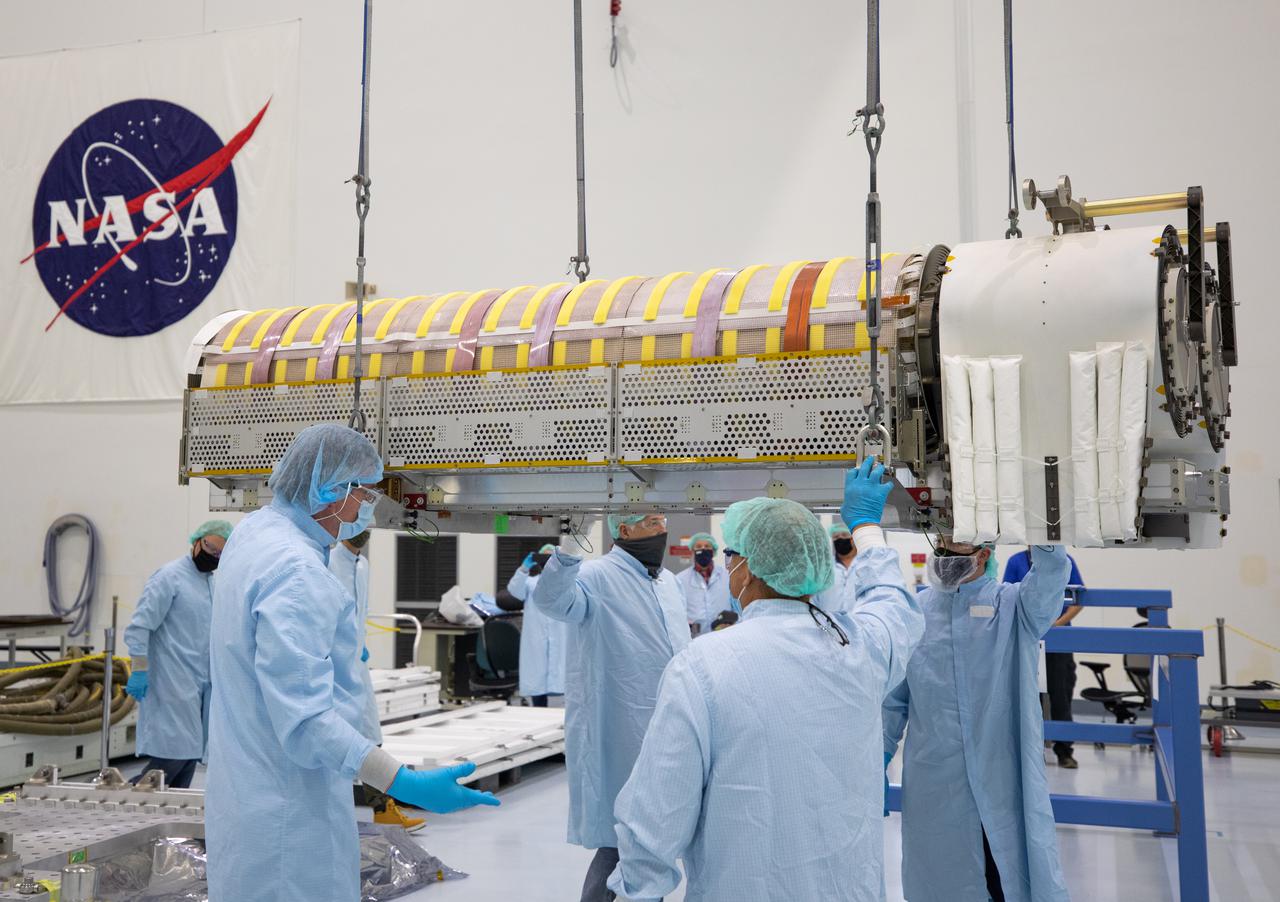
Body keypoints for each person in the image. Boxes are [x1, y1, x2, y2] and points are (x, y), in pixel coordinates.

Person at [206, 424, 498, 902]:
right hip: (289, 810)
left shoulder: (257, 532)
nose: (368, 506)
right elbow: (306, 722)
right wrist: (401, 780)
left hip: (248, 790)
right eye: (364, 493)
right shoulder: (297, 572)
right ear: (329, 490)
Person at [608, 460, 924, 901]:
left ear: (748, 569)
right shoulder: (861, 650)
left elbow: (656, 817)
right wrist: (867, 526)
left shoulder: (703, 667)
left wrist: (636, 892)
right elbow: (893, 604)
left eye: (730, 556)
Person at [884, 538, 1073, 902]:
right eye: (938, 543)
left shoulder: (1015, 606)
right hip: (936, 781)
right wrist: (874, 763)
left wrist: (1042, 526)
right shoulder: (916, 613)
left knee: (1005, 873)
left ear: (983, 554)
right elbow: (892, 704)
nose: (942, 555)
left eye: (954, 546)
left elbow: (1050, 576)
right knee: (943, 879)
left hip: (1002, 776)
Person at [530, 511, 690, 902]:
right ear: (625, 528)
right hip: (622, 726)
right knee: (625, 838)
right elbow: (551, 600)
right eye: (651, 521)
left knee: (656, 836)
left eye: (663, 520)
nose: (662, 529)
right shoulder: (595, 576)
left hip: (675, 723)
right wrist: (570, 547)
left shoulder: (667, 581)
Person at [123, 519, 233, 789]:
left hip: (199, 686)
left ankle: (164, 821)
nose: (213, 557)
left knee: (188, 759)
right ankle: (127, 803)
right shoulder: (169, 577)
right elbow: (139, 628)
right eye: (210, 548)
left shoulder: (211, 584)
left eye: (220, 554)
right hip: (170, 682)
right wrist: (138, 669)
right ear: (197, 542)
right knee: (172, 758)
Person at [330, 530, 424, 832]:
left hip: (356, 664)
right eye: (358, 526)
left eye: (367, 528)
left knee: (371, 737)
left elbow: (360, 612)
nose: (363, 534)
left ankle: (382, 807)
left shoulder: (362, 565)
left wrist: (361, 646)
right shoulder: (328, 561)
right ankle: (342, 811)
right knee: (338, 746)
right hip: (332, 668)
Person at [1004, 549, 1086, 769]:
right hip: (1028, 640)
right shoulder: (1016, 561)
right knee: (1030, 698)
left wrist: (1056, 623)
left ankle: (1064, 751)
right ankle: (1032, 752)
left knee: (1062, 696)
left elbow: (1079, 599)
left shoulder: (1065, 561)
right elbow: (1007, 597)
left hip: (1059, 639)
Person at [507, 543, 567, 707]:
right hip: (536, 642)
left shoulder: (566, 582)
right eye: (544, 557)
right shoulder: (530, 583)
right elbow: (514, 590)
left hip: (562, 640)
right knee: (537, 683)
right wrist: (523, 569)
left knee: (565, 685)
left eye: (551, 557)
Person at [674, 532, 732, 637]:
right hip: (694, 639)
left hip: (724, 637)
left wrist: (732, 620)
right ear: (692, 551)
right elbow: (677, 612)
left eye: (707, 546)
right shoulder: (680, 579)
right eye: (699, 546)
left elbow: (737, 607)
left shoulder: (727, 576)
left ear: (713, 551)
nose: (703, 549)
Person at [811, 522, 858, 613]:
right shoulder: (825, 567)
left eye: (844, 535)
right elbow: (814, 599)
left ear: (852, 539)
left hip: (862, 624)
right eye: (836, 537)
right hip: (828, 624)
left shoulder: (865, 564)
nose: (840, 539)